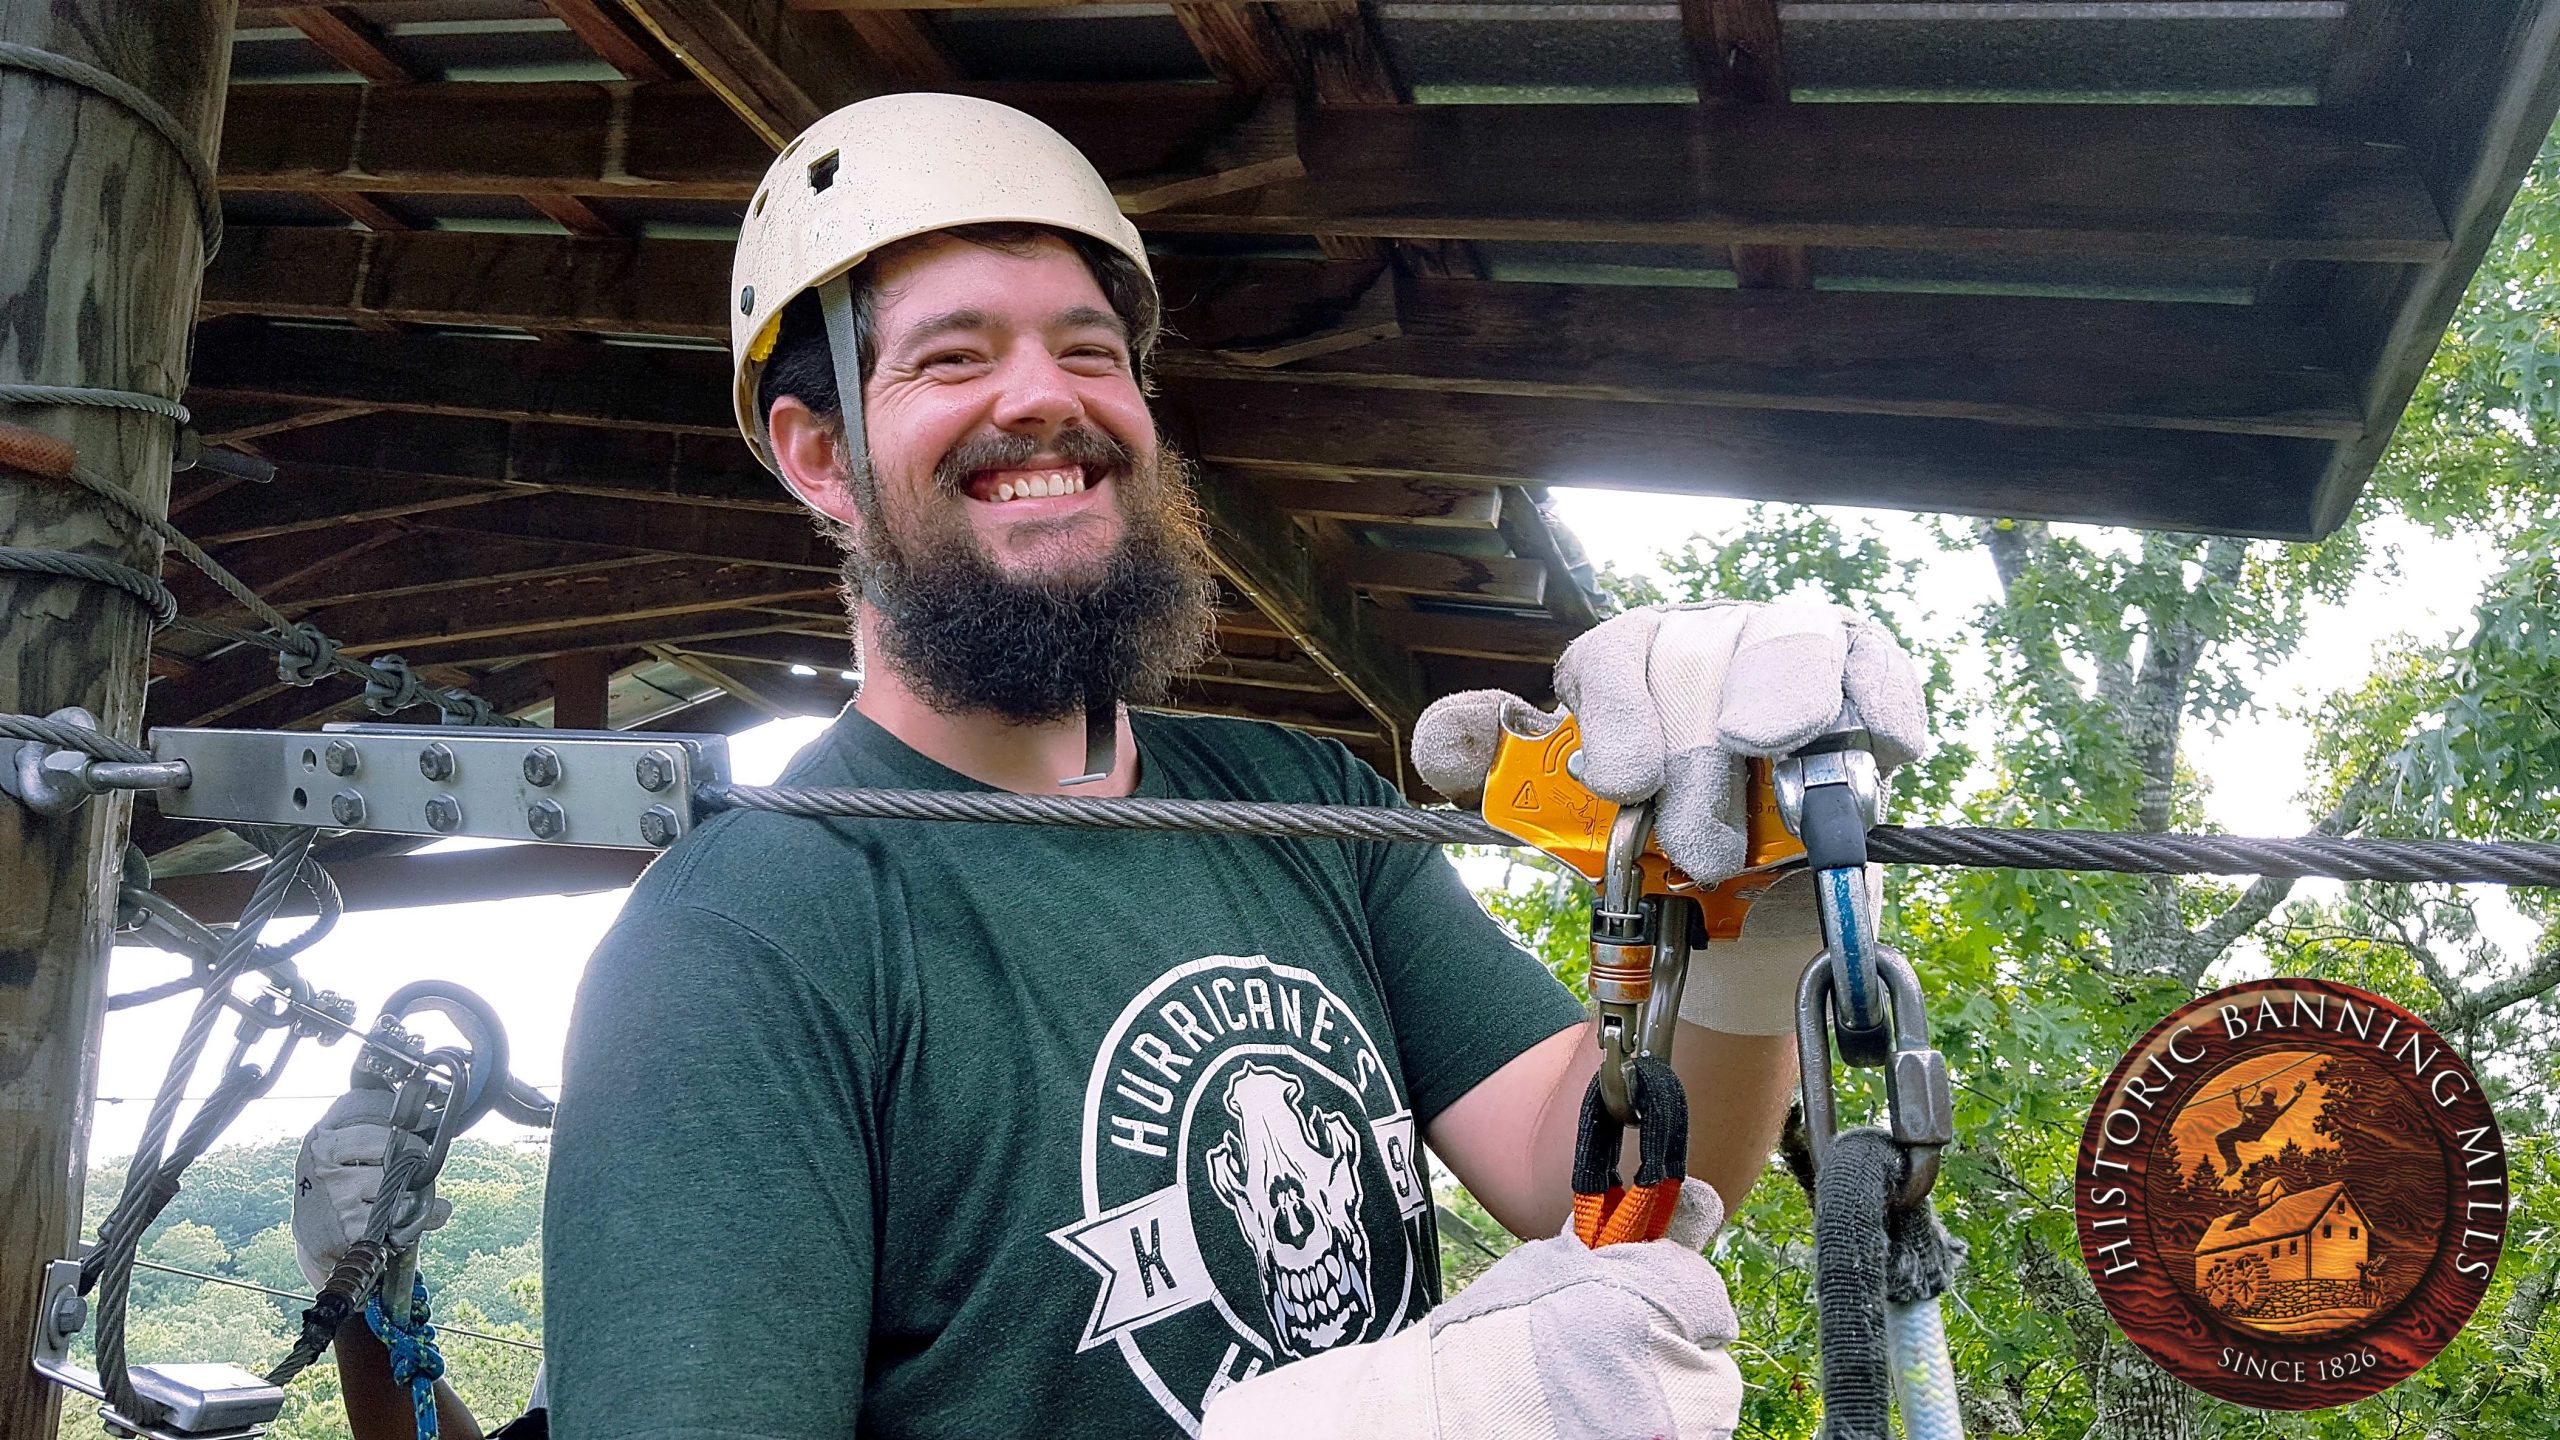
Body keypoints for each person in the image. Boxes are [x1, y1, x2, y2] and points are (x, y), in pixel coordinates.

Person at [306, 91, 1928, 1440]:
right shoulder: (747, 931)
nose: (1047, 400)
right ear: (819, 455)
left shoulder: (1300, 804)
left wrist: (1749, 914)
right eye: (953, 359)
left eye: (1091, 352)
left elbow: (1610, 1177)